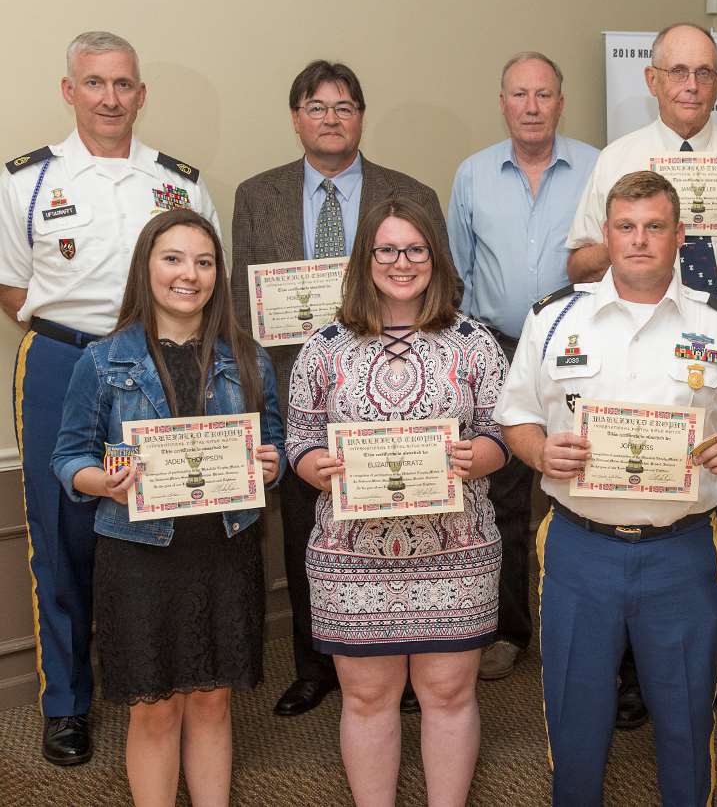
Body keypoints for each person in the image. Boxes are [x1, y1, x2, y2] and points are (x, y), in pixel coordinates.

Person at [499, 171, 717, 805]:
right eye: (626, 226)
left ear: (679, 234)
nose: (639, 240)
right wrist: (541, 448)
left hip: (680, 551)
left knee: (686, 717)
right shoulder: (552, 319)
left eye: (655, 227)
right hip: (579, 548)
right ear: (607, 234)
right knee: (574, 715)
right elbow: (515, 416)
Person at [0, 30, 218, 765]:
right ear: (69, 90)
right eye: (94, 83)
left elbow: (200, 279)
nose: (109, 97)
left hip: (157, 368)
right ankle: (67, 702)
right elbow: (12, 288)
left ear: (141, 92)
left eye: (123, 84)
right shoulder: (26, 179)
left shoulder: (179, 182)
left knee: (150, 526)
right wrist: (86, 346)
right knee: (61, 535)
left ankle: (150, 688)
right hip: (61, 364)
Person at [564, 21, 717, 730]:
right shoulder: (618, 160)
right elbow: (576, 264)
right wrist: (642, 237)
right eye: (678, 71)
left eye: (705, 72)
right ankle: (634, 680)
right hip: (641, 351)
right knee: (643, 508)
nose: (692, 85)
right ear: (652, 79)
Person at [229, 59, 450, 718]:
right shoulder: (255, 195)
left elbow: (441, 288)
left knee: (405, 531)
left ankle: (406, 666)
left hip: (400, 394)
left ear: (361, 115)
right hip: (302, 395)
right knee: (307, 539)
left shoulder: (410, 192)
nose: (331, 118)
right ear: (296, 118)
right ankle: (314, 664)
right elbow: (241, 305)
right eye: (316, 107)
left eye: (344, 106)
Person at [51, 209, 282, 806]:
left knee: (212, 700)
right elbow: (67, 457)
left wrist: (271, 464)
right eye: (173, 259)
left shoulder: (248, 358)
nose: (190, 274)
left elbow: (274, 443)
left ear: (217, 274)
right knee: (154, 711)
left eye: (204, 262)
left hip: (225, 549)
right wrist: (105, 483)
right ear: (146, 268)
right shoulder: (102, 361)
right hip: (139, 556)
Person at [285, 196, 506, 806]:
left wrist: (479, 456)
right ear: (366, 258)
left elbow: (503, 432)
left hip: (456, 551)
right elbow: (298, 440)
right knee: (365, 698)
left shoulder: (475, 342)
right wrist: (316, 467)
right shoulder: (324, 346)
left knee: (448, 695)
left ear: (435, 258)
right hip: (352, 556)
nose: (402, 262)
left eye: (416, 249)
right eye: (387, 249)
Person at [447, 50, 599, 682]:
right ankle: (509, 630)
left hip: (581, 348)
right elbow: (456, 267)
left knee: (583, 485)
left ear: (561, 104)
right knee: (503, 493)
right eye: (519, 95)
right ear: (502, 102)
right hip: (498, 346)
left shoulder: (597, 166)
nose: (531, 106)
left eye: (543, 95)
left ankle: (589, 629)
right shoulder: (472, 174)